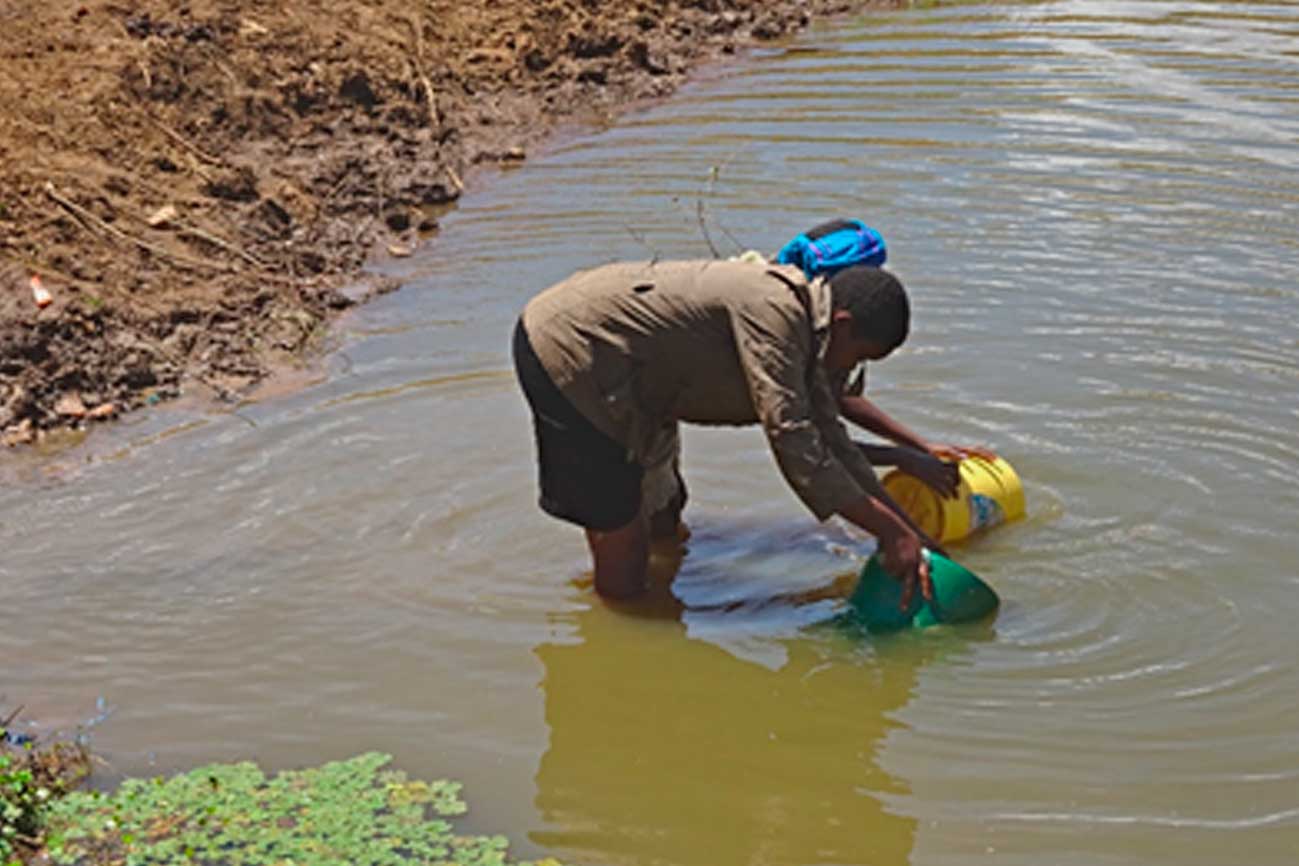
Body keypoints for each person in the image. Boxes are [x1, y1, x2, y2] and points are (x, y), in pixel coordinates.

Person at [512, 257, 934, 604]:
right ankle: (620, 637)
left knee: (665, 519)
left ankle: (652, 599)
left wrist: (910, 537)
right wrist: (890, 532)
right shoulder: (777, 314)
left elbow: (832, 440)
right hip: (572, 352)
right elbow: (795, 441)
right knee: (623, 540)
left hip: (641, 382)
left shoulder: (812, 334)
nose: (851, 371)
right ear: (842, 325)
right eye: (859, 357)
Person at [776, 218, 993, 498]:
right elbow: (810, 444)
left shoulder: (825, 325)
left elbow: (836, 395)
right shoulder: (790, 327)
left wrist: (919, 446)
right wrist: (903, 458)